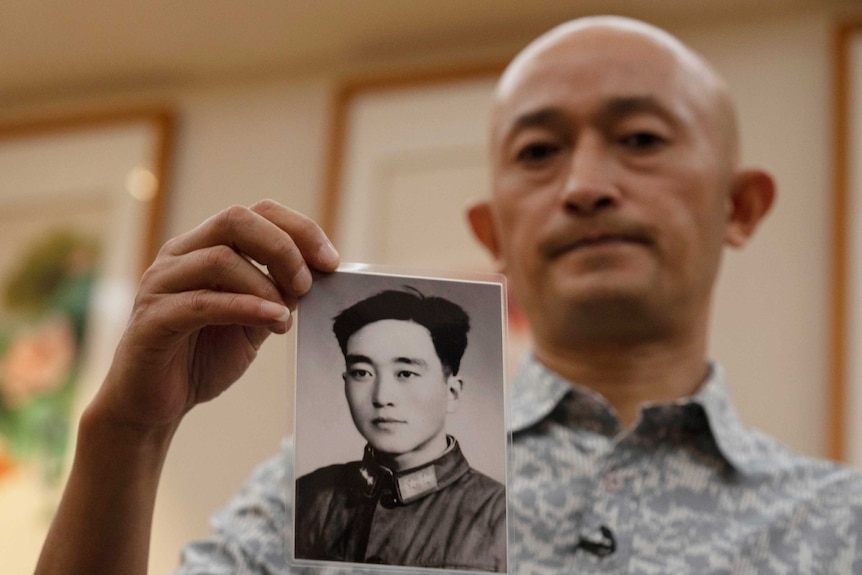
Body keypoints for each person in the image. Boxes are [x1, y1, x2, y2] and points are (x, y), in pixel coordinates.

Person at [36, 15, 862, 575]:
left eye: (641, 138)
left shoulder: (837, 525)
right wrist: (128, 433)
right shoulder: (321, 496)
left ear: (740, 205)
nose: (583, 184)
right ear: (492, 230)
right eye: (539, 152)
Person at [294, 288, 506, 570]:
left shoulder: (502, 515)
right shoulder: (307, 496)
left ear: (452, 392)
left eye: (406, 373)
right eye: (362, 373)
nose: (382, 397)